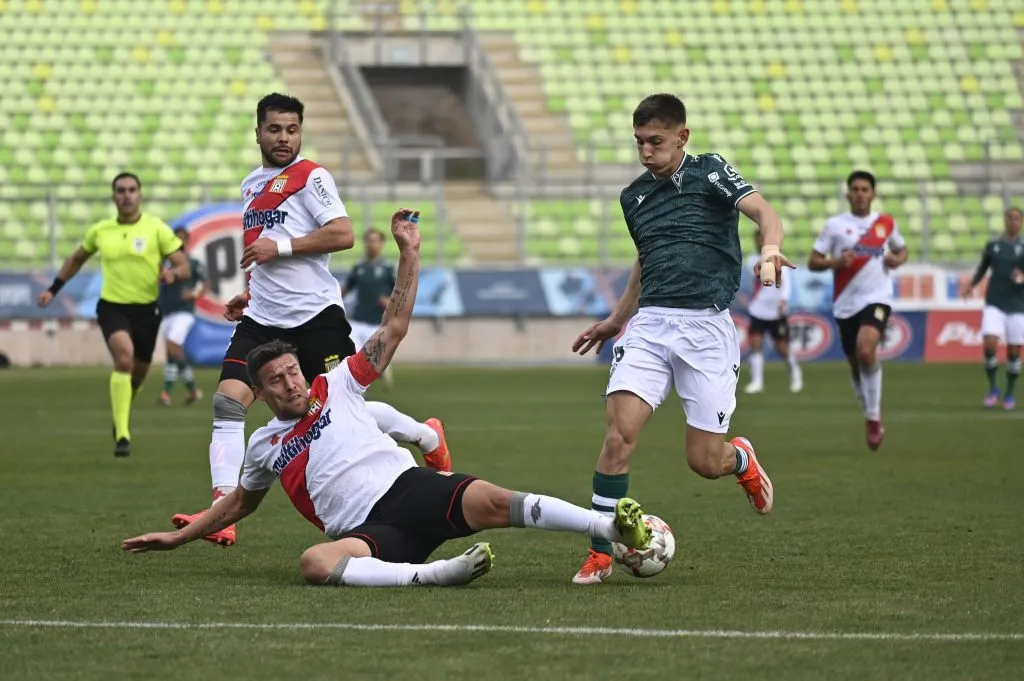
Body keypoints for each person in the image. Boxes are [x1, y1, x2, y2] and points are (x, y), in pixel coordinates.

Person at [122, 210, 654, 588]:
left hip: (408, 490)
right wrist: (181, 539)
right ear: (258, 394)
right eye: (278, 381)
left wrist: (410, 252)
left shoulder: (338, 384)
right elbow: (239, 503)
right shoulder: (263, 445)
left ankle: (608, 526)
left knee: (498, 501)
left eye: (292, 373)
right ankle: (434, 575)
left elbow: (394, 326)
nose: (291, 383)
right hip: (368, 532)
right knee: (314, 563)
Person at [171, 93, 450, 548]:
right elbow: (266, 251)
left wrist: (277, 249)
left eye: (292, 129)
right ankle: (222, 512)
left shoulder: (311, 176)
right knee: (227, 404)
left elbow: (342, 234)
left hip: (316, 319)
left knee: (339, 413)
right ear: (257, 131)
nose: (284, 138)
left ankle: (424, 435)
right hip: (263, 319)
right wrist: (254, 290)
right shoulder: (250, 185)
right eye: (275, 129)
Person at [568, 94, 787, 585]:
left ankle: (741, 460)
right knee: (618, 436)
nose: (646, 152)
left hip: (707, 328)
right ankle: (600, 550)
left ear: (682, 137)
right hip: (649, 327)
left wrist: (770, 250)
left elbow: (763, 211)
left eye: (656, 142)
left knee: (704, 461)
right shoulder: (633, 198)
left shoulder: (710, 171)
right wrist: (616, 318)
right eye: (639, 143)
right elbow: (648, 260)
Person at [38, 173, 190, 457]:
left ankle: (121, 414)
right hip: (112, 307)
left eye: (132, 189)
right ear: (113, 196)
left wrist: (172, 274)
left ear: (140, 195)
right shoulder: (101, 230)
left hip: (147, 309)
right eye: (121, 190)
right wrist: (53, 289)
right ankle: (122, 434)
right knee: (124, 359)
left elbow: (183, 266)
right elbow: (76, 259)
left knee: (137, 375)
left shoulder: (156, 228)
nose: (127, 195)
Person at [808, 171, 908, 450]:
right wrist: (836, 262)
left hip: (877, 298)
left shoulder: (885, 223)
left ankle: (874, 418)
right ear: (848, 194)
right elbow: (814, 261)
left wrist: (896, 259)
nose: (861, 193)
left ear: (873, 194)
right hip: (845, 303)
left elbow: (902, 250)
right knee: (855, 364)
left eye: (865, 189)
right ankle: (869, 411)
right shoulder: (835, 226)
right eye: (856, 189)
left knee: (867, 351)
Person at [963, 206, 1024, 410]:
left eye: (1017, 219)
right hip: (995, 303)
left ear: (1021, 222)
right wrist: (972, 285)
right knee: (989, 343)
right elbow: (983, 267)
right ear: (1005, 220)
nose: (1013, 222)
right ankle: (993, 389)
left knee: (1014, 352)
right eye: (1010, 218)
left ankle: (1009, 393)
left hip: (1018, 306)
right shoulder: (993, 245)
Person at [744, 228, 803, 394]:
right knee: (755, 344)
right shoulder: (751, 261)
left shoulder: (779, 258)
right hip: (757, 309)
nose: (760, 242)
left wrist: (784, 300)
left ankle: (795, 373)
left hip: (776, 310)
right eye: (757, 239)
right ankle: (757, 381)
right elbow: (754, 283)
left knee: (781, 347)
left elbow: (786, 282)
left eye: (762, 238)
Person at [158, 226, 207, 406]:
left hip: (184, 312)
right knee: (171, 353)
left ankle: (188, 389)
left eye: (182, 239)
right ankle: (171, 393)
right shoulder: (165, 263)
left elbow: (206, 284)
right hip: (167, 312)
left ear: (187, 241)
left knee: (173, 345)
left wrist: (194, 295)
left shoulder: (193, 264)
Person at [342, 227, 397, 387]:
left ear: (381, 244)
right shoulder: (359, 267)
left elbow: (400, 293)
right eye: (369, 241)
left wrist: (390, 302)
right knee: (352, 355)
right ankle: (357, 388)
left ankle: (381, 369)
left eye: (375, 241)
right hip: (358, 320)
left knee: (372, 358)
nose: (371, 244)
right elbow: (347, 288)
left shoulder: (388, 268)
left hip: (377, 322)